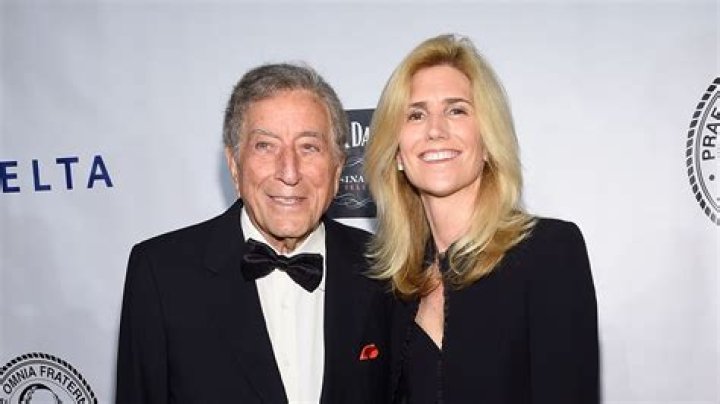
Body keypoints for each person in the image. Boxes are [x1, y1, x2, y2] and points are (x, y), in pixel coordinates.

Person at [116, 63, 389, 403]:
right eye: (265, 146)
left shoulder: (384, 267)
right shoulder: (161, 274)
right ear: (234, 165)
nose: (289, 171)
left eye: (308, 147)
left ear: (337, 168)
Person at [364, 34, 599, 403]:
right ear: (396, 152)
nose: (435, 130)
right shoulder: (395, 285)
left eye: (456, 110)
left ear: (488, 141)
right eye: (415, 114)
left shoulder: (549, 253)